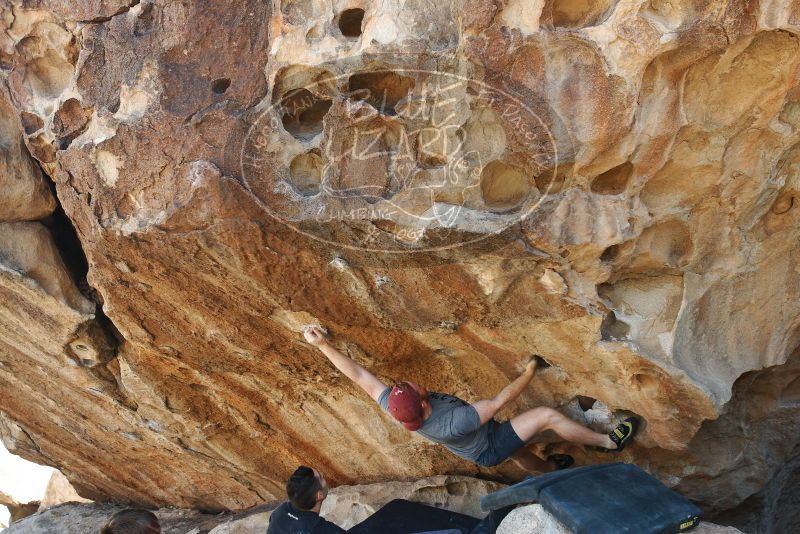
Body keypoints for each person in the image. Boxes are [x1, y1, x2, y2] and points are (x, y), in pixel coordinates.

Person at [303, 326, 638, 473]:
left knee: (521, 451)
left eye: (402, 384)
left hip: (480, 448)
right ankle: (608, 443)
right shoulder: (452, 422)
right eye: (413, 387)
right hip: (488, 445)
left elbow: (359, 377)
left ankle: (550, 469)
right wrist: (532, 368)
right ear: (422, 405)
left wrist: (321, 346)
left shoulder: (397, 406)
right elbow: (500, 401)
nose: (412, 383)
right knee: (545, 416)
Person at [266, 465, 346, 534]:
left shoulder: (279, 511)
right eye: (321, 477)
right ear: (319, 495)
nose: (322, 473)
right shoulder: (317, 527)